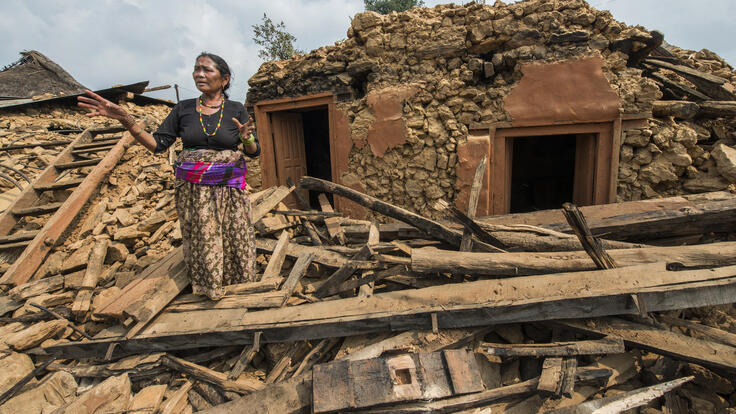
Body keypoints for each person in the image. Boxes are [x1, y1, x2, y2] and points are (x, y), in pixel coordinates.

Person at [78, 52, 260, 300]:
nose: (199, 74)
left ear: (225, 79)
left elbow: (253, 152)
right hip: (194, 190)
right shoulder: (183, 109)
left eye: (207, 70)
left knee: (235, 234)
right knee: (203, 237)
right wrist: (127, 120)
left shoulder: (236, 109)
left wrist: (247, 137)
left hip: (230, 188)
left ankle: (240, 286)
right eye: (197, 69)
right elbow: (157, 145)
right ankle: (210, 289)